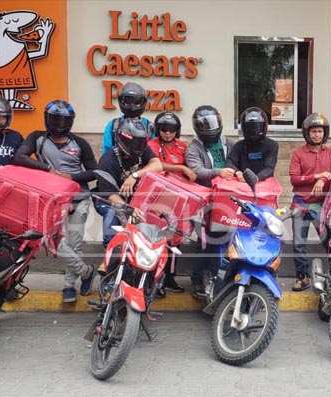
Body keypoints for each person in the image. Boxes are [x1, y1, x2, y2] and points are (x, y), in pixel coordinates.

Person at [12, 100, 98, 303]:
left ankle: (69, 286)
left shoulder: (80, 144)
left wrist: (72, 177)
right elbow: (20, 157)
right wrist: (47, 170)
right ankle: (86, 272)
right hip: (49, 200)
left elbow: (94, 171)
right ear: (47, 119)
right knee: (51, 244)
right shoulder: (37, 138)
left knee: (74, 243)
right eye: (55, 119)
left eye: (64, 120)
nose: (59, 124)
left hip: (77, 198)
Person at [94, 120, 163, 274]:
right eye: (137, 142)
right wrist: (128, 209)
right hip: (109, 199)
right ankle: (110, 258)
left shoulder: (143, 150)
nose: (140, 147)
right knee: (114, 217)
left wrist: (135, 175)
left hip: (133, 198)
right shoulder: (108, 159)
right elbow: (111, 195)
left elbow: (157, 164)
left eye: (142, 142)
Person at [185, 105, 237, 297]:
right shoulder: (193, 148)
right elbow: (197, 170)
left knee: (223, 239)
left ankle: (216, 278)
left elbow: (236, 161)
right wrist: (218, 172)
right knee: (204, 241)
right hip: (204, 200)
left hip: (226, 199)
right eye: (206, 125)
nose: (211, 128)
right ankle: (197, 280)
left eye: (213, 123)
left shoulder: (229, 143)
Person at [288, 113, 331, 291]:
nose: (317, 135)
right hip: (301, 205)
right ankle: (302, 277)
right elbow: (295, 180)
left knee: (329, 241)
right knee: (298, 244)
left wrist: (324, 180)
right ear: (307, 133)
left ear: (324, 133)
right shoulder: (298, 153)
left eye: (320, 131)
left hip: (322, 206)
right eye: (313, 132)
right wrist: (316, 176)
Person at [146, 111, 197, 297]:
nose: (167, 133)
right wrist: (181, 168)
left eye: (171, 130)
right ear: (157, 130)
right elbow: (157, 165)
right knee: (157, 238)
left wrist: (189, 171)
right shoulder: (150, 145)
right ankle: (154, 280)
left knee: (175, 239)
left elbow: (191, 166)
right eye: (164, 130)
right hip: (158, 198)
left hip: (179, 198)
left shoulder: (183, 146)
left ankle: (170, 277)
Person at [225, 107, 278, 181]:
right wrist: (237, 172)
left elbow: (269, 168)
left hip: (264, 183)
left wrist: (256, 178)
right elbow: (229, 162)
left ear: (263, 126)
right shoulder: (239, 146)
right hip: (243, 182)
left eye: (256, 127)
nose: (253, 131)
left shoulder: (271, 145)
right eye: (251, 127)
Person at [101, 82, 153, 155]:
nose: (132, 106)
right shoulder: (113, 125)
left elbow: (154, 152)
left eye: (137, 102)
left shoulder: (150, 127)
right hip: (118, 164)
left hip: (144, 164)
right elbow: (106, 151)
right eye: (128, 101)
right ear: (122, 101)